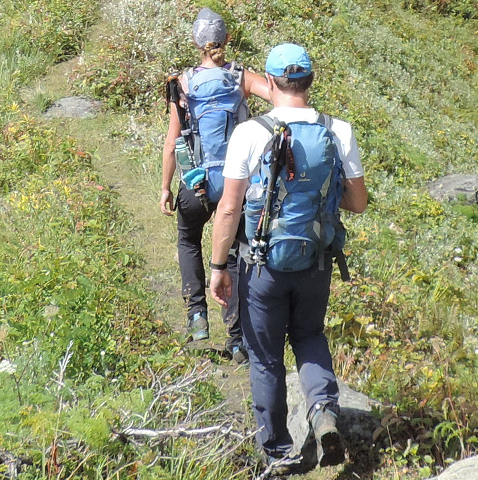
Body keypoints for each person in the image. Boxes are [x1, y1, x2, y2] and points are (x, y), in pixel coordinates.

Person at [209, 43, 368, 473]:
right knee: (310, 336)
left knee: (265, 357)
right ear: (310, 81)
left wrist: (219, 267)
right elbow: (358, 203)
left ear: (271, 81)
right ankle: (322, 412)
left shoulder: (251, 132)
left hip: (262, 265)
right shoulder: (340, 130)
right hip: (315, 261)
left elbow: (228, 207)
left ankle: (279, 451)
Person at [160, 8, 270, 362]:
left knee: (187, 239)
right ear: (227, 40)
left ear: (196, 43)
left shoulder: (184, 84)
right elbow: (278, 95)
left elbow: (172, 142)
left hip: (196, 184)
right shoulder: (240, 78)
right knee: (234, 257)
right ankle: (237, 340)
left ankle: (197, 316)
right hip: (236, 187)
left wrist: (165, 187)